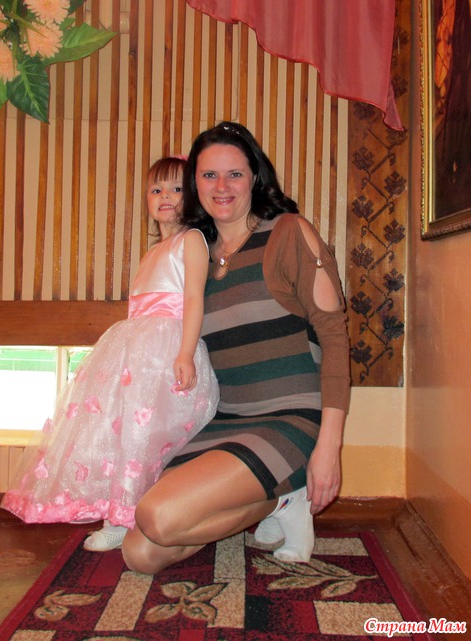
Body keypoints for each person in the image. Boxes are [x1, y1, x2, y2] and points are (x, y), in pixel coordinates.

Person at [121, 122, 350, 573]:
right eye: (209, 175)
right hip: (223, 418)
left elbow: (335, 338)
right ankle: (280, 500)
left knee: (159, 517)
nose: (221, 186)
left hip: (289, 417)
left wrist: (329, 445)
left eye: (235, 174)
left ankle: (287, 494)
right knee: (141, 552)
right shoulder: (194, 251)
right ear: (195, 183)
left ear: (255, 178)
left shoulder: (288, 232)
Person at [1, 156, 219, 552]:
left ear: (192, 196)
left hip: (167, 353)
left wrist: (185, 353)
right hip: (135, 355)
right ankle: (119, 515)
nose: (165, 196)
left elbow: (193, 299)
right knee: (121, 435)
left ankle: (139, 515)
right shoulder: (154, 251)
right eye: (156, 190)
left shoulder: (191, 241)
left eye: (176, 189)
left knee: (146, 438)